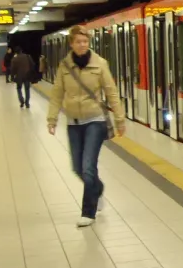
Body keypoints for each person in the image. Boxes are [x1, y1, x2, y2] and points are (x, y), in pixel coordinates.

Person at [47, 26, 126, 227]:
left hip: (95, 121)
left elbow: (111, 92)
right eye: (78, 42)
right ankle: (97, 189)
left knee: (88, 166)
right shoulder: (64, 66)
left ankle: (88, 213)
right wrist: (52, 119)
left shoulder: (100, 64)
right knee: (77, 167)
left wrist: (120, 119)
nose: (82, 45)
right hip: (73, 122)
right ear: (71, 44)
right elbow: (57, 94)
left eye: (85, 41)